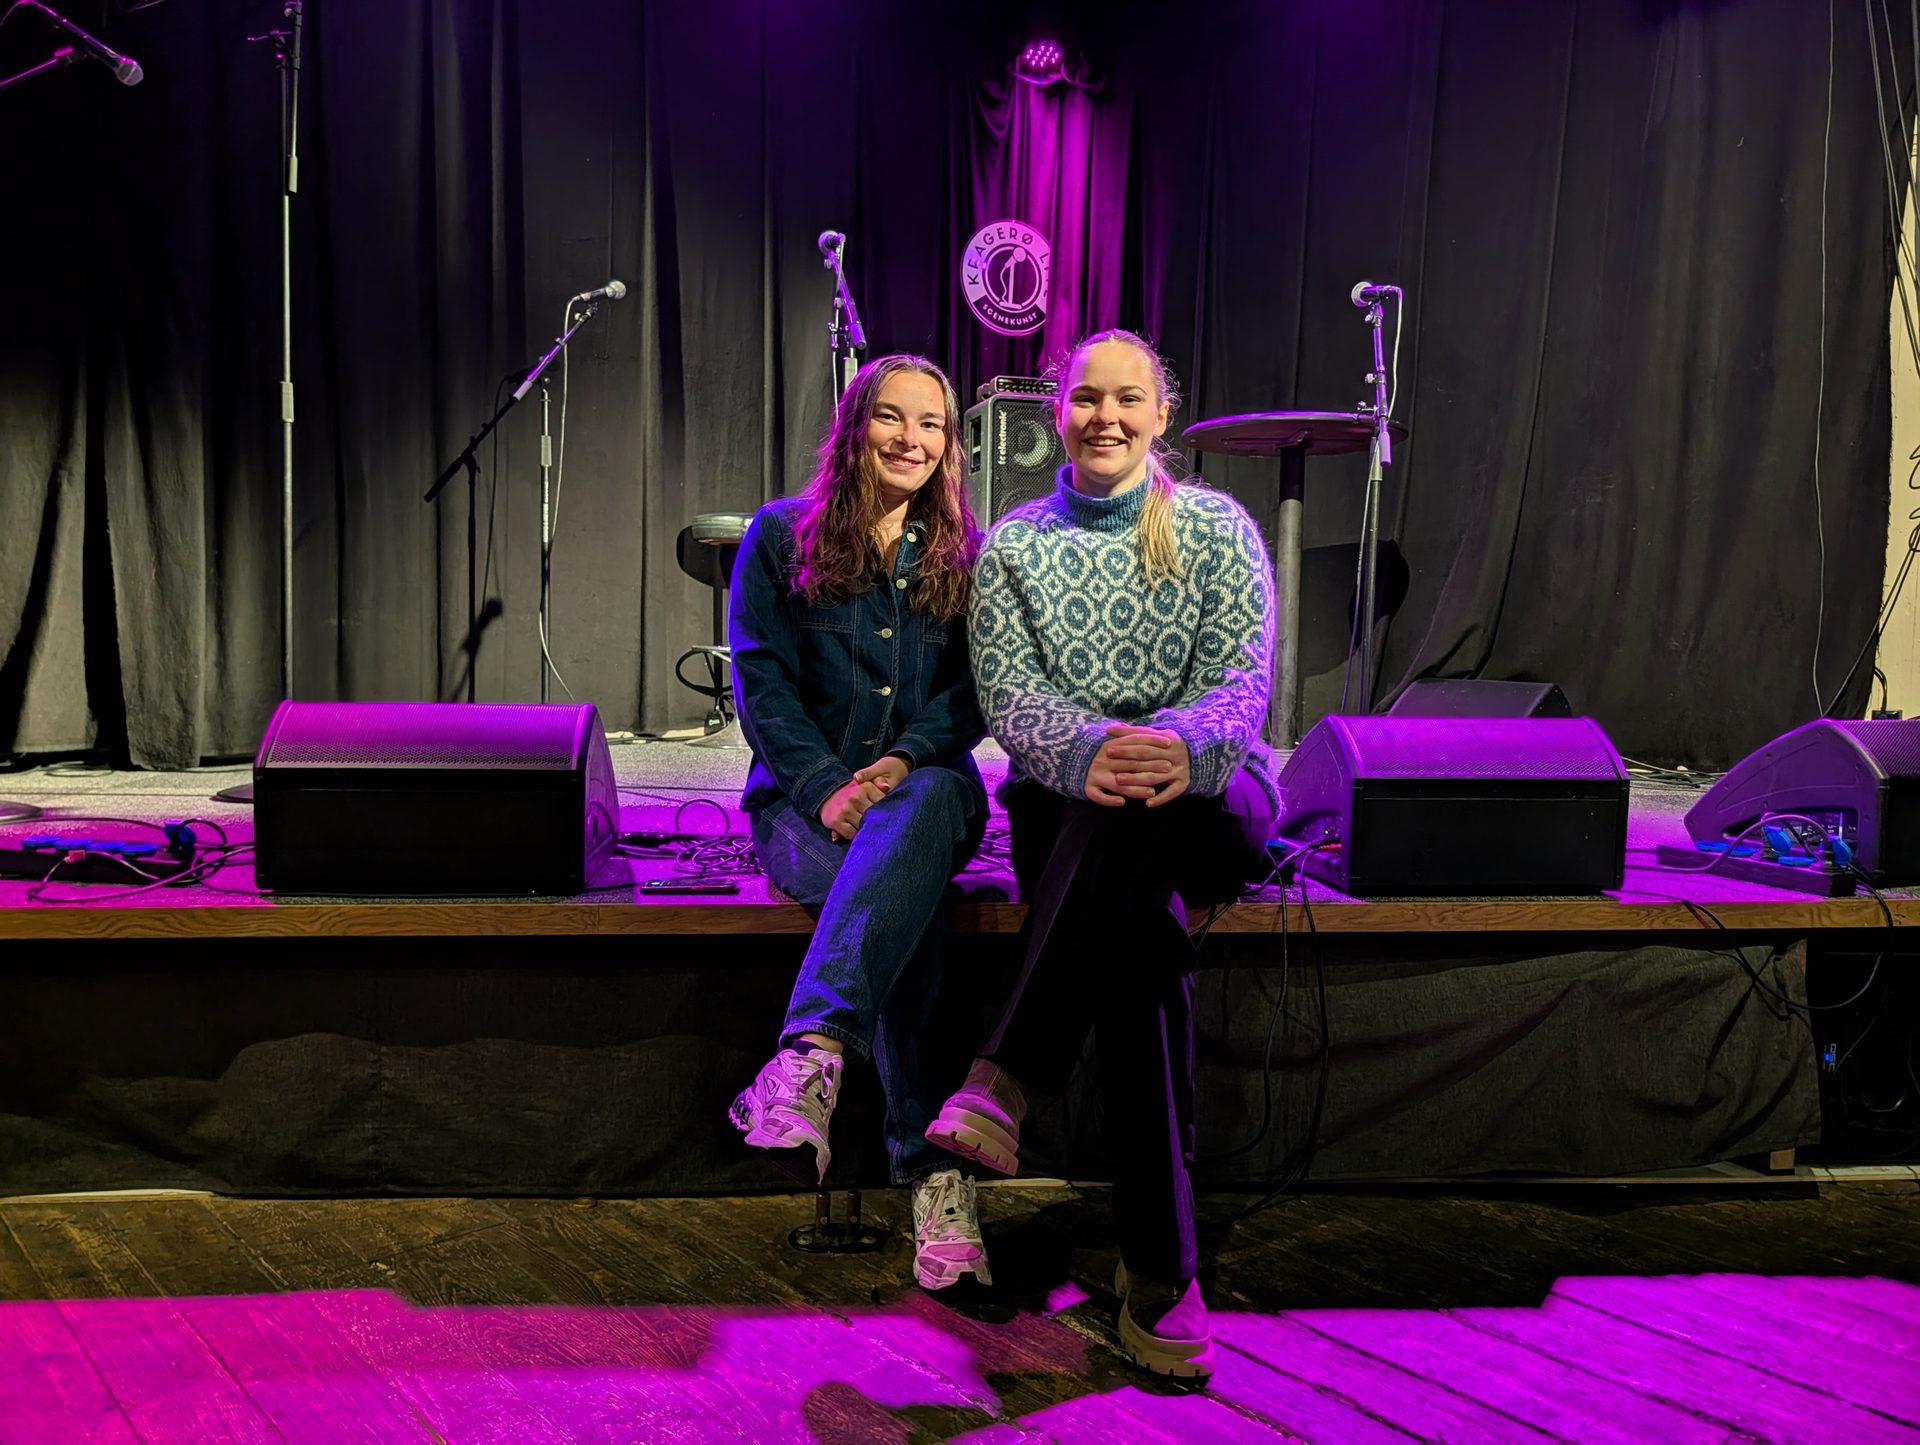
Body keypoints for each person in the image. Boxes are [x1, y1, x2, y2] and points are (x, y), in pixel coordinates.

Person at [925, 329, 1278, 1374]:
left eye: (1128, 398)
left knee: (1137, 829)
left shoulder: (1215, 527)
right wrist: (1095, 754)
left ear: (1162, 413)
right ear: (1058, 412)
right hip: (1076, 805)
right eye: (1087, 398)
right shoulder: (1017, 546)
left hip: (1208, 794)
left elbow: (1241, 681)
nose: (1106, 417)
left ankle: (1005, 1076)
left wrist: (1179, 748)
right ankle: (1162, 1268)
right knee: (1140, 947)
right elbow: (1009, 694)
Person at [727, 353, 993, 1290]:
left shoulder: (967, 553)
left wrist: (906, 758)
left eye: (931, 424)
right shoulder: (779, 536)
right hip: (803, 805)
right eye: (892, 417)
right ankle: (934, 1174)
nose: (910, 439)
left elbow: (974, 693)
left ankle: (811, 1051)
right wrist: (825, 786)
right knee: (905, 903)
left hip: (930, 788)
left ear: (949, 444)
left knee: (918, 818)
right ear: (855, 427)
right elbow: (761, 685)